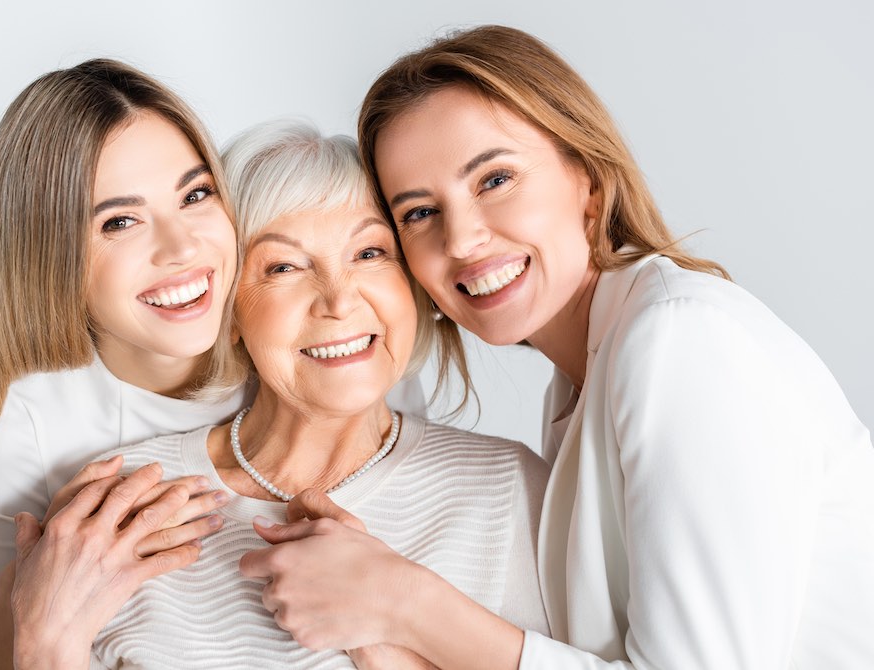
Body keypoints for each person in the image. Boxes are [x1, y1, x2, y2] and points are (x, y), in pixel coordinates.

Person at [239, 25, 874, 669]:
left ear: (589, 180)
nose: (461, 240)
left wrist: (407, 603)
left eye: (494, 180)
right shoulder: (580, 380)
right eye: (420, 213)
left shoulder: (679, 339)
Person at [0, 60, 427, 669]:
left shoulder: (320, 343)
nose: (183, 248)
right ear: (50, 258)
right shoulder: (34, 431)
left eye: (195, 194)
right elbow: (4, 651)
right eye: (120, 221)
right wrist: (47, 621)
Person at [8, 120, 550, 669]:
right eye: (284, 266)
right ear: (230, 308)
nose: (338, 300)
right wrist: (41, 641)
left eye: (369, 253)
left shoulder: (512, 490)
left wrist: (382, 632)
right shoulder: (121, 512)